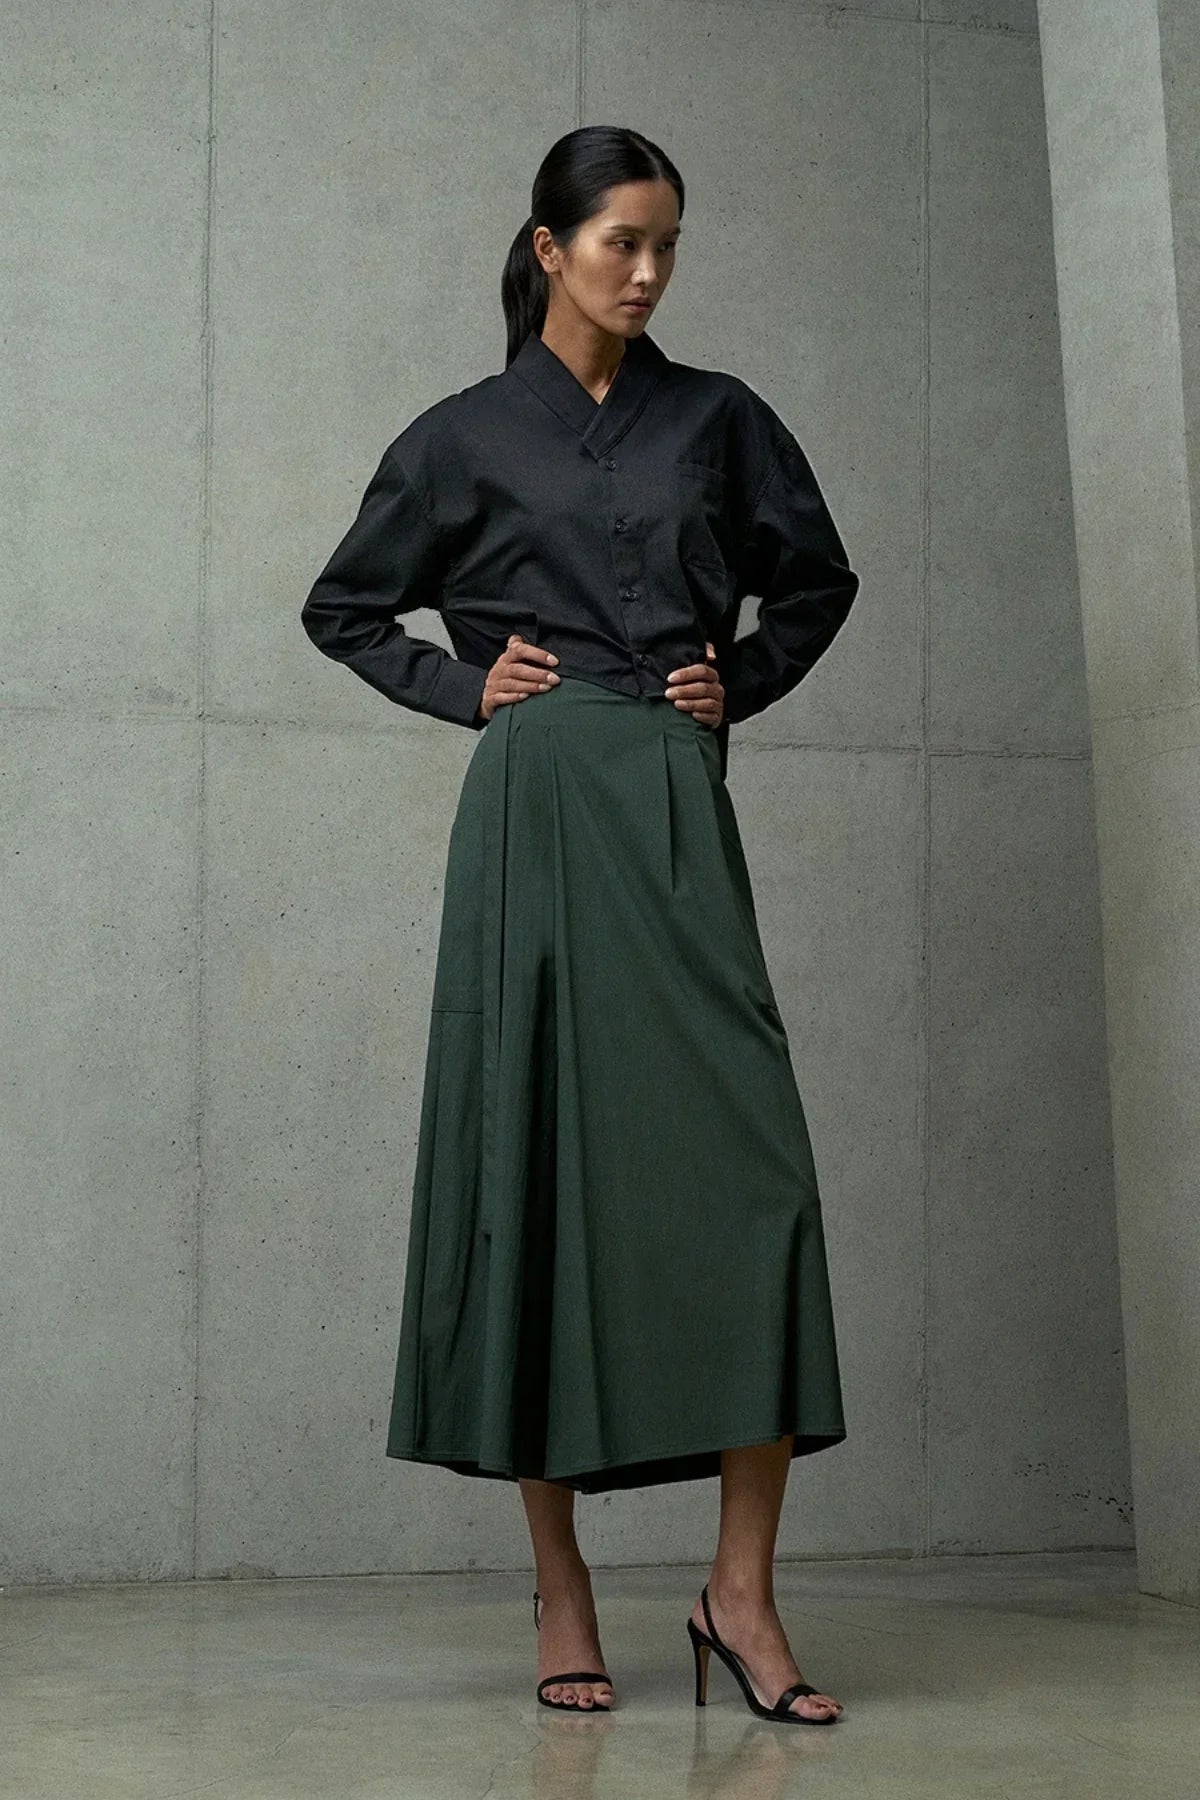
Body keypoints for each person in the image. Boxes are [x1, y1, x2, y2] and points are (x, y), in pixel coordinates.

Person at [301, 125, 859, 1725]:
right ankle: (562, 1591)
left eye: (668, 243)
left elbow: (811, 582)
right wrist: (467, 686)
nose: (648, 271)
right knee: (535, 1173)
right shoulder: (465, 436)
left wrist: (731, 682)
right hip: (538, 814)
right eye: (620, 241)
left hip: (675, 801)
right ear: (547, 248)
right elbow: (343, 607)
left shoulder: (720, 418)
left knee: (755, 1179)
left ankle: (738, 1596)